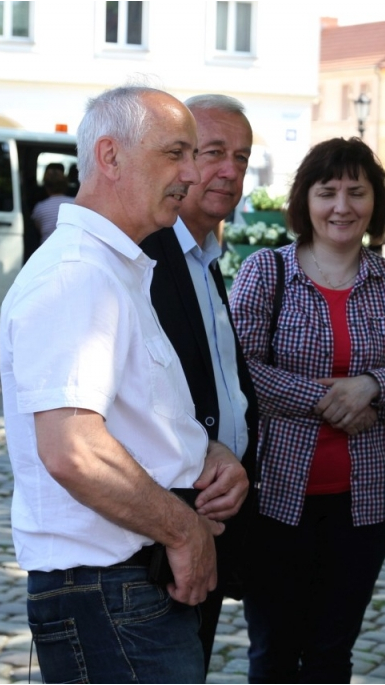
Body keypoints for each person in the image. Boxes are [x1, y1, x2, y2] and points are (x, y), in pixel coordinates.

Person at [0, 85, 231, 683]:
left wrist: (204, 454)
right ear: (110, 156)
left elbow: (126, 417)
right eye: (176, 153)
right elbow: (73, 450)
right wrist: (184, 532)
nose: (191, 173)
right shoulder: (79, 274)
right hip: (111, 592)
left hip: (127, 590)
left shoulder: (112, 267)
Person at [230, 137, 385, 683]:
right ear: (306, 200)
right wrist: (326, 400)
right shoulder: (265, 273)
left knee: (330, 651)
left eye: (356, 192)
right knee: (273, 649)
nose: (342, 206)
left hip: (366, 503)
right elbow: (237, 371)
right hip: (274, 496)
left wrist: (370, 386)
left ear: (375, 202)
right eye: (328, 192)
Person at [140, 93, 257, 673]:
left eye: (242, 156)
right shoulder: (147, 254)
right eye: (214, 153)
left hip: (213, 513)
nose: (230, 171)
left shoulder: (208, 253)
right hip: (158, 528)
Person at [31, 163, 74, 243]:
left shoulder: (39, 208)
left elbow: (39, 229)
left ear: (46, 186)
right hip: (70, 248)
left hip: (46, 250)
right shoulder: (76, 203)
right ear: (65, 185)